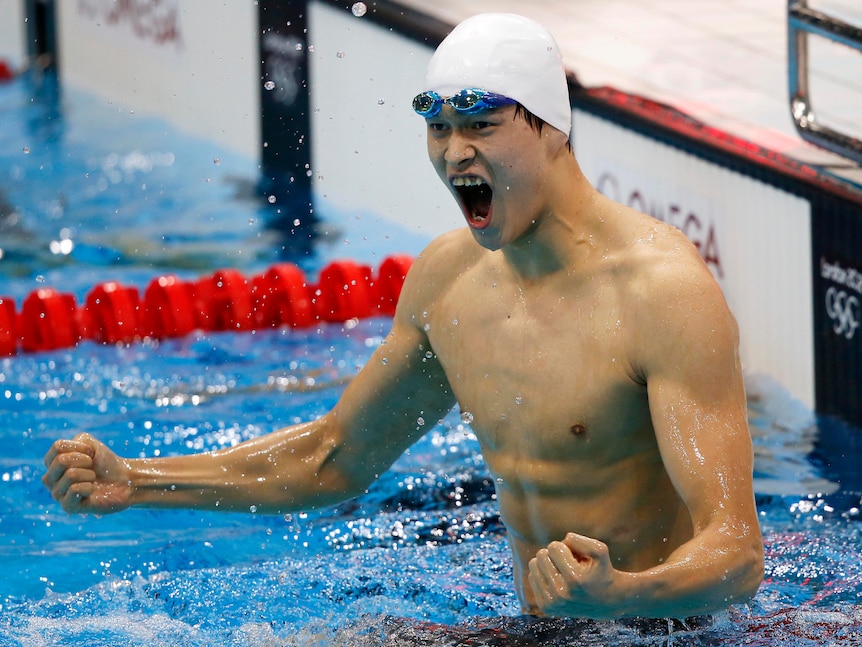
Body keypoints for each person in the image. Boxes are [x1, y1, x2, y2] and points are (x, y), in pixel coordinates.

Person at [42, 13, 764, 620]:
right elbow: (333, 459)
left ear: (552, 129)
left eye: (481, 124)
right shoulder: (450, 283)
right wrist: (136, 480)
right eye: (441, 129)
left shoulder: (660, 292)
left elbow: (735, 551)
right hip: (538, 630)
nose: (456, 153)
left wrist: (621, 594)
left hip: (663, 631)